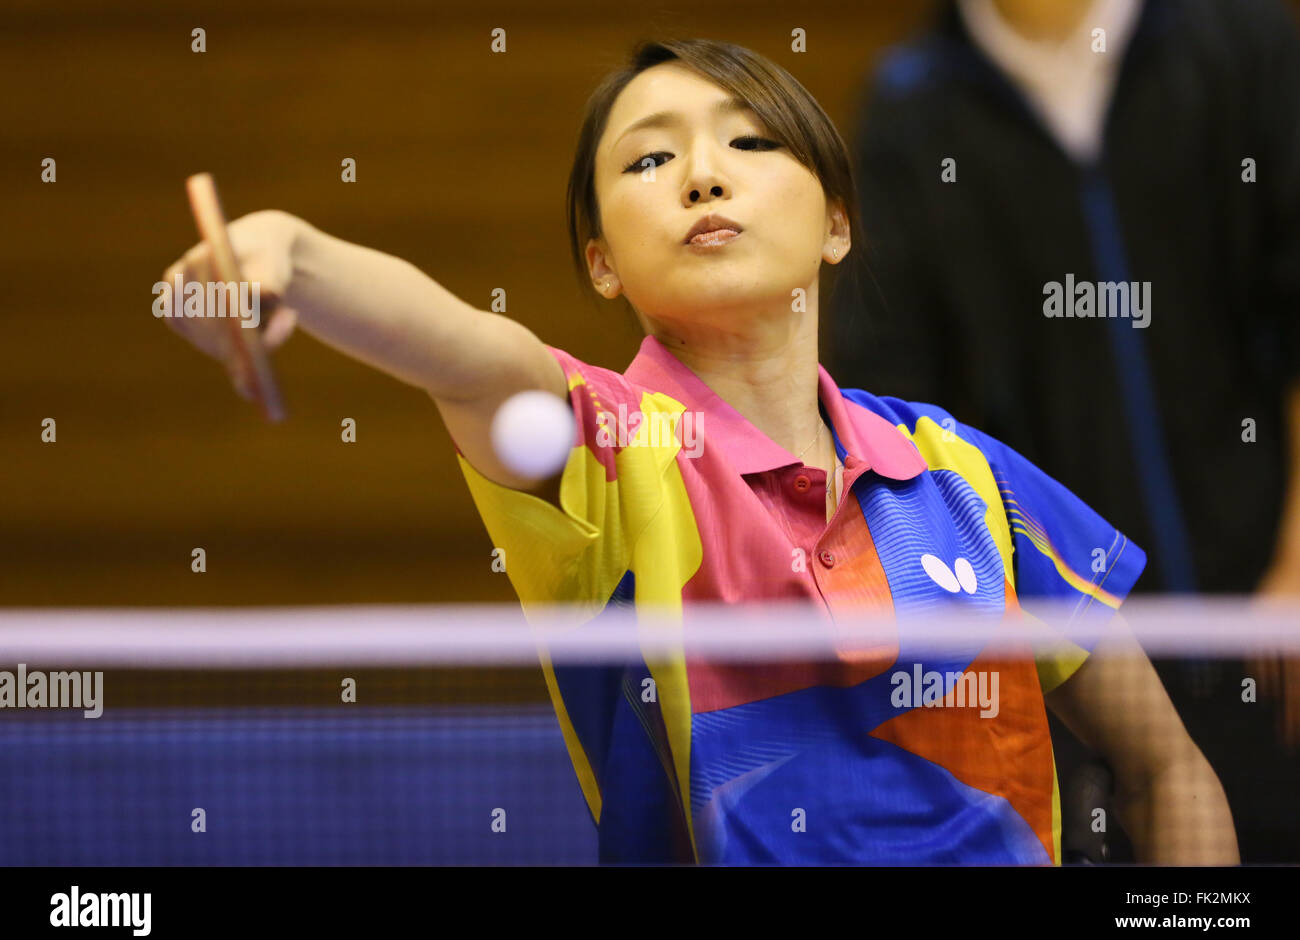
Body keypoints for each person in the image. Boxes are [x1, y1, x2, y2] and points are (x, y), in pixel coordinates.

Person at [158, 38, 1236, 865]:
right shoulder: (605, 451)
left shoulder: (968, 475)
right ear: (600, 263)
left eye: (749, 142)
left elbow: (1164, 764)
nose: (703, 176)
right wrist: (284, 254)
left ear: (837, 224)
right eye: (650, 157)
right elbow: (467, 353)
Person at [829, 0, 1300, 859]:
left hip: (1273, 624)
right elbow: (896, 411)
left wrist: (1297, 562)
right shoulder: (913, 104)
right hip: (1079, 661)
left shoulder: (1246, 44)